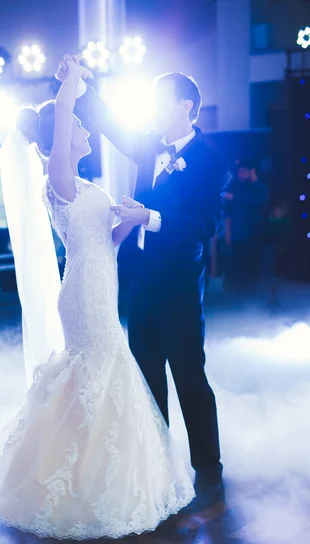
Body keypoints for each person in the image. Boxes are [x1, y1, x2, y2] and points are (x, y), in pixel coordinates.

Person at [0, 58, 194, 539]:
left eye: (81, 123)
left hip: (103, 281)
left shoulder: (86, 185)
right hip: (83, 291)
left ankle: (97, 474)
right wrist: (71, 85)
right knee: (99, 370)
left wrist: (129, 218)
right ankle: (74, 480)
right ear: (54, 142)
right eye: (74, 126)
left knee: (100, 377)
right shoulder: (58, 178)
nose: (82, 128)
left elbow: (108, 240)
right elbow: (63, 119)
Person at [56, 57, 228, 506]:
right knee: (147, 378)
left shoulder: (211, 159)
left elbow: (205, 225)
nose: (151, 107)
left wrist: (148, 217)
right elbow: (111, 124)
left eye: (159, 100)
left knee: (189, 375)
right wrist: (78, 86)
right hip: (141, 283)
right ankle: (156, 465)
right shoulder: (150, 145)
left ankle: (208, 467)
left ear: (185, 105)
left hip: (180, 286)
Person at [223, 158, 269, 293]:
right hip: (238, 235)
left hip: (254, 235)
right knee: (238, 267)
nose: (240, 175)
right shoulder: (239, 188)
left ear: (252, 171)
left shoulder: (260, 188)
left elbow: (256, 203)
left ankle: (251, 296)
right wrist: (228, 232)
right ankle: (238, 296)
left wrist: (234, 198)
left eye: (243, 172)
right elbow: (229, 213)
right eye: (239, 172)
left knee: (251, 267)